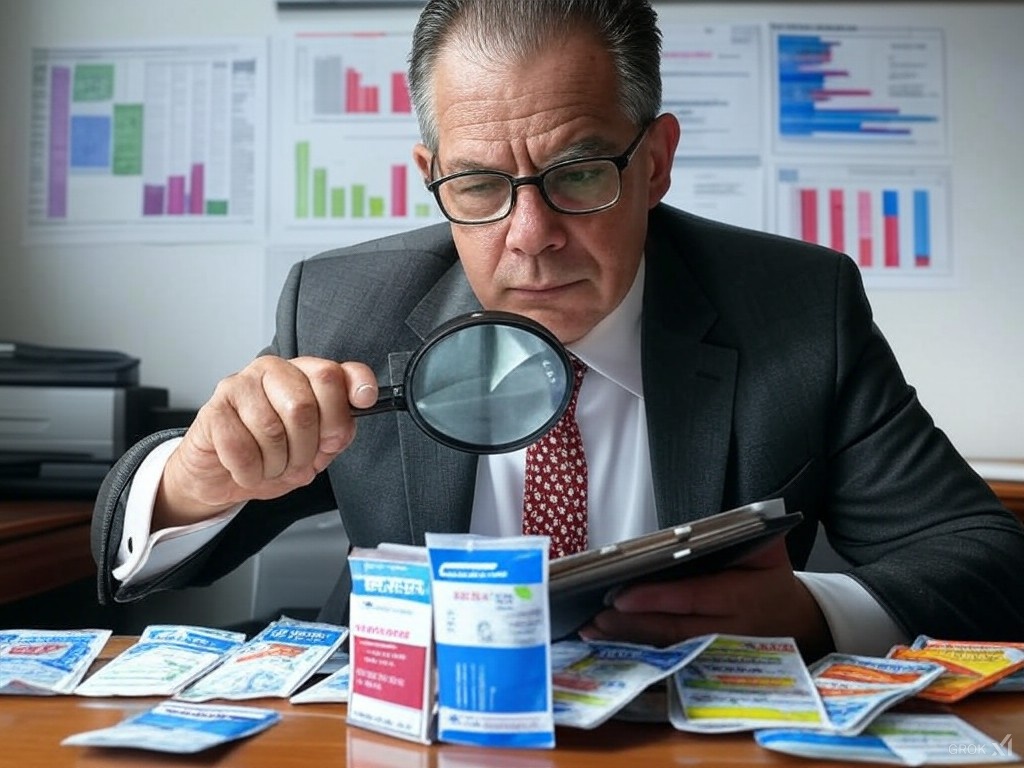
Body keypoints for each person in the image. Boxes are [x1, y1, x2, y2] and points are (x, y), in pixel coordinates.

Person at [91, 0, 1024, 660]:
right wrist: (196, 479)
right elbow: (138, 543)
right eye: (479, 186)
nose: (528, 238)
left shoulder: (795, 306)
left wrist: (809, 612)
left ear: (656, 162)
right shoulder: (346, 308)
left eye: (579, 175)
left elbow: (985, 559)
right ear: (431, 174)